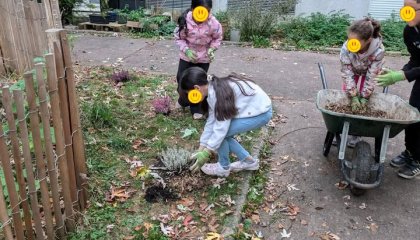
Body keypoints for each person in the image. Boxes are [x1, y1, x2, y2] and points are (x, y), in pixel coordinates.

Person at [180, 67, 272, 177]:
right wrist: (201, 147)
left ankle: (223, 168)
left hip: (261, 113)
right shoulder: (212, 90)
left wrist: (207, 152)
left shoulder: (218, 96)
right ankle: (249, 162)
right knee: (220, 134)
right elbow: (211, 121)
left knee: (221, 135)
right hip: (256, 108)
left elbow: (220, 130)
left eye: (189, 93)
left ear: (196, 88)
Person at [376, 0, 420, 179]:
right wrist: (399, 72)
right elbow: (416, 59)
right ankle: (410, 152)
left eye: (410, 9)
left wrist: (403, 76)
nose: (405, 13)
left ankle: (417, 161)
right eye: (403, 9)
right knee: (413, 114)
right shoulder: (409, 31)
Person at [339, 17, 385, 147]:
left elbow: (372, 76)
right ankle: (343, 129)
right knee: (348, 97)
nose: (351, 44)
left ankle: (357, 132)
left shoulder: (378, 51)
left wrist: (364, 97)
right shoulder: (346, 48)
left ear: (368, 40)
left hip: (368, 73)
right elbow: (346, 71)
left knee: (364, 100)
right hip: (352, 70)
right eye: (349, 40)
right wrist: (353, 95)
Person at [174, 0, 223, 120]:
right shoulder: (185, 21)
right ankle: (183, 100)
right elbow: (178, 38)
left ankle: (196, 108)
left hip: (203, 59)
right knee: (181, 80)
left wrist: (212, 49)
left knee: (199, 85)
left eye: (207, 11)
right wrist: (187, 50)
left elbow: (217, 38)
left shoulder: (213, 23)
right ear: (192, 9)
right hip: (187, 57)